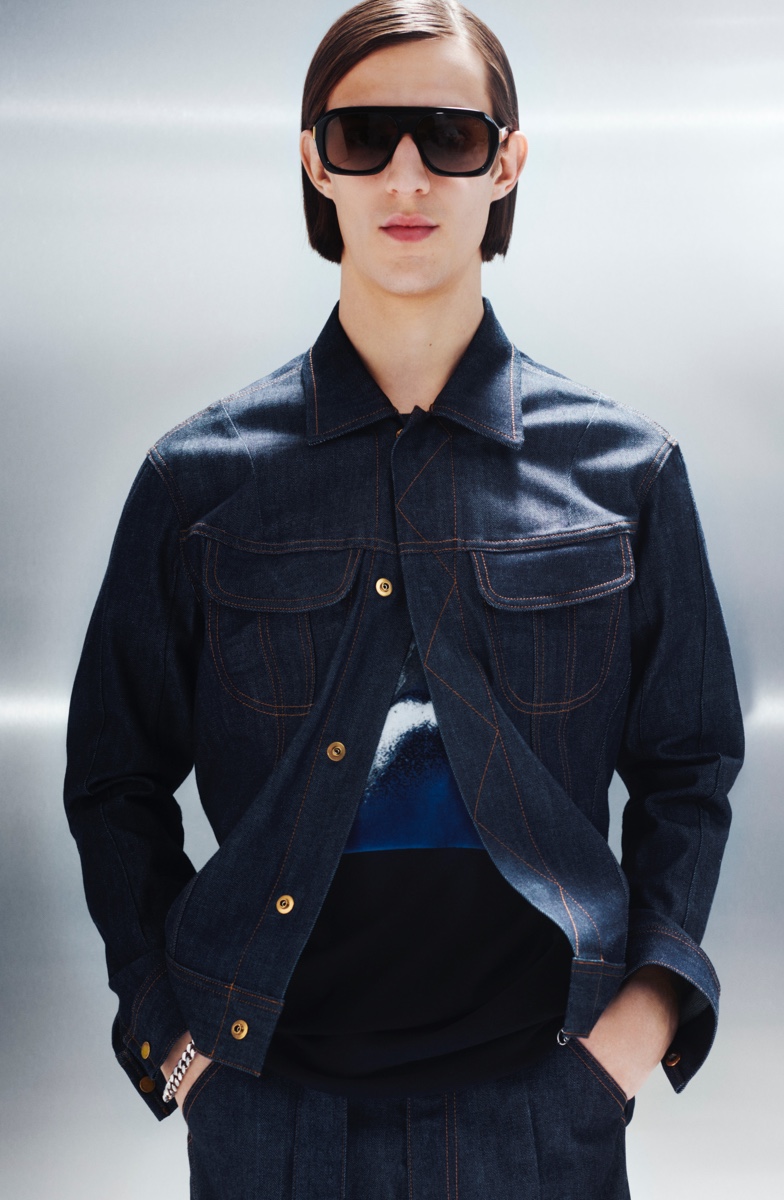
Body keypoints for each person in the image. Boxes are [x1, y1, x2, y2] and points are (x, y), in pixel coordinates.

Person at [64, 1, 744, 1196]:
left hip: (545, 1108)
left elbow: (686, 765)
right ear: (314, 161)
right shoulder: (196, 483)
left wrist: (637, 1026)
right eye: (364, 136)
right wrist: (171, 1040)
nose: (407, 175)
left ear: (506, 162)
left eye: (450, 136)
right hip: (266, 1114)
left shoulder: (627, 476)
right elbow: (114, 779)